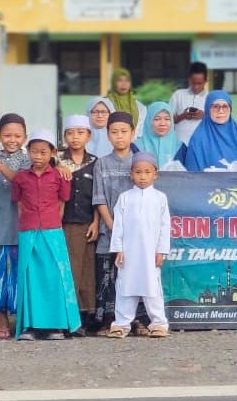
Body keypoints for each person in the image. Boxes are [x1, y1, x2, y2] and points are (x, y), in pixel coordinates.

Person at [12, 128, 81, 340]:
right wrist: (27, 224)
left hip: (52, 231)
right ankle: (30, 326)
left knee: (55, 276)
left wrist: (52, 223)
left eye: (43, 152)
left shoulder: (61, 176)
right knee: (29, 277)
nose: (38, 156)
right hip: (28, 231)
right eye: (34, 151)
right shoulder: (20, 178)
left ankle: (56, 326)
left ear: (52, 152)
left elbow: (62, 202)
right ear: (28, 152)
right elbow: (19, 204)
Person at [106, 152, 171, 339]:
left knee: (152, 288)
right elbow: (118, 226)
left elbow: (165, 226)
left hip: (150, 253)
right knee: (125, 287)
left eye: (147, 172)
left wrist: (161, 251)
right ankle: (121, 324)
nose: (142, 177)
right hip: (128, 253)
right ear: (131, 174)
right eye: (138, 172)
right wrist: (118, 249)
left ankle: (158, 324)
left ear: (155, 174)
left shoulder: (160, 198)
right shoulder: (125, 197)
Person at [0, 113, 29, 339]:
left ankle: (22, 320)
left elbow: (21, 182)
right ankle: (1, 320)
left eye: (17, 136)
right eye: (7, 135)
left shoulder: (28, 160)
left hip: (22, 225)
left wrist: (0, 167)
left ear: (25, 137)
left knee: (20, 273)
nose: (12, 140)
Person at [92, 111, 137, 334]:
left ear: (133, 133)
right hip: (107, 230)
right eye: (114, 132)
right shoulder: (101, 164)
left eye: (124, 131)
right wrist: (112, 225)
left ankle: (136, 320)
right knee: (107, 276)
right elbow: (99, 198)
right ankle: (107, 320)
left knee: (133, 274)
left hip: (135, 231)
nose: (119, 136)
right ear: (107, 135)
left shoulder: (139, 162)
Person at [59, 115, 99, 336]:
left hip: (87, 223)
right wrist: (57, 167)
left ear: (89, 136)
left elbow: (99, 195)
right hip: (63, 223)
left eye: (80, 132)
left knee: (86, 271)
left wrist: (96, 222)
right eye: (70, 133)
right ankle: (68, 318)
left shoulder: (95, 162)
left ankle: (85, 317)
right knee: (69, 270)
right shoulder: (56, 161)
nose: (75, 137)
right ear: (64, 136)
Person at [184, 91, 237, 172]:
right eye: (215, 106)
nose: (220, 111)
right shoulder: (198, 139)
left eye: (225, 106)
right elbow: (191, 174)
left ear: (230, 110)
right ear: (207, 109)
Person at [135, 102, 184, 169]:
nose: (162, 124)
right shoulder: (135, 147)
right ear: (149, 121)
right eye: (157, 119)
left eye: (167, 119)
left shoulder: (181, 147)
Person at [170, 61, 209, 145]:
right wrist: (182, 116)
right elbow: (168, 120)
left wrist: (204, 116)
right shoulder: (178, 95)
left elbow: (218, 122)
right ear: (189, 80)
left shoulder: (210, 98)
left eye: (199, 83)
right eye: (193, 83)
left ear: (205, 81)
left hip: (202, 144)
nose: (196, 86)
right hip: (179, 144)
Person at [106, 68, 146, 138]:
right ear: (114, 82)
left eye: (127, 81)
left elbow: (140, 131)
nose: (124, 84)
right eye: (120, 80)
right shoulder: (105, 103)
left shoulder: (139, 106)